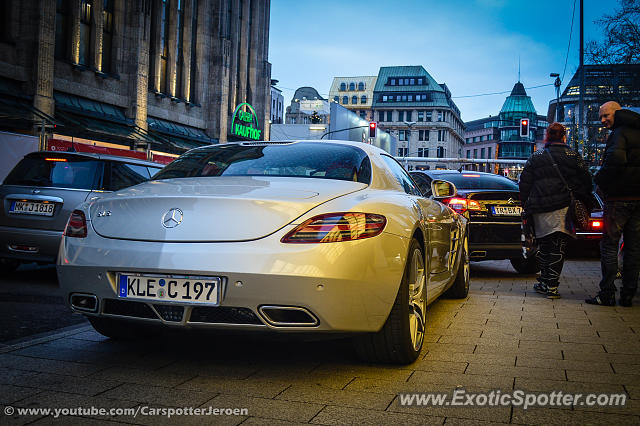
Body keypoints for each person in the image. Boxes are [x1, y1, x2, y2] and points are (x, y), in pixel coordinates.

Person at [519, 122, 593, 299]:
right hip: (563, 207)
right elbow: (587, 182)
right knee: (558, 245)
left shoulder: (536, 156)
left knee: (544, 244)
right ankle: (552, 285)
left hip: (539, 207)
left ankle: (545, 282)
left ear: (547, 136)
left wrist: (526, 204)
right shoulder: (573, 156)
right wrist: (583, 201)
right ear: (564, 136)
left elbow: (525, 183)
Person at [585, 102, 640, 307]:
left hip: (618, 198)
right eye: (601, 117)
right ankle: (628, 294)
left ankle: (607, 293)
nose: (603, 120)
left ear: (618, 113)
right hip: (638, 198)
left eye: (606, 115)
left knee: (609, 245)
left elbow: (615, 160)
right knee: (633, 247)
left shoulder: (619, 133)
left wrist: (599, 180)